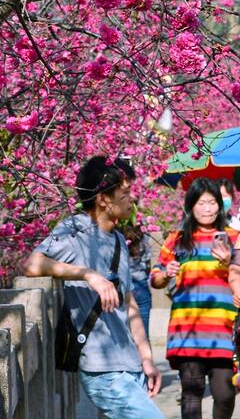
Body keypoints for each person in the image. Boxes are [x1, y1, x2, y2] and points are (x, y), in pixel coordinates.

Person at [24, 156, 164, 419]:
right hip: (104, 371)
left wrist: (146, 358)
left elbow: (129, 304)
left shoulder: (119, 239)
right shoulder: (75, 230)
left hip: (130, 366)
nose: (132, 199)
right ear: (102, 199)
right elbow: (32, 264)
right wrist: (88, 274)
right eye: (125, 194)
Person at [151, 178, 240, 419]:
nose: (207, 209)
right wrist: (166, 273)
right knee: (192, 394)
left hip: (223, 329)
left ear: (220, 205)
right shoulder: (177, 239)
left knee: (225, 394)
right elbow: (155, 278)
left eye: (212, 202)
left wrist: (229, 262)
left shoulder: (235, 237)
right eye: (201, 203)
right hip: (188, 330)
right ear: (190, 205)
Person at [124, 217, 156, 324]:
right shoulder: (143, 237)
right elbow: (148, 262)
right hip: (141, 283)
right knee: (143, 326)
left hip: (123, 283)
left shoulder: (117, 236)